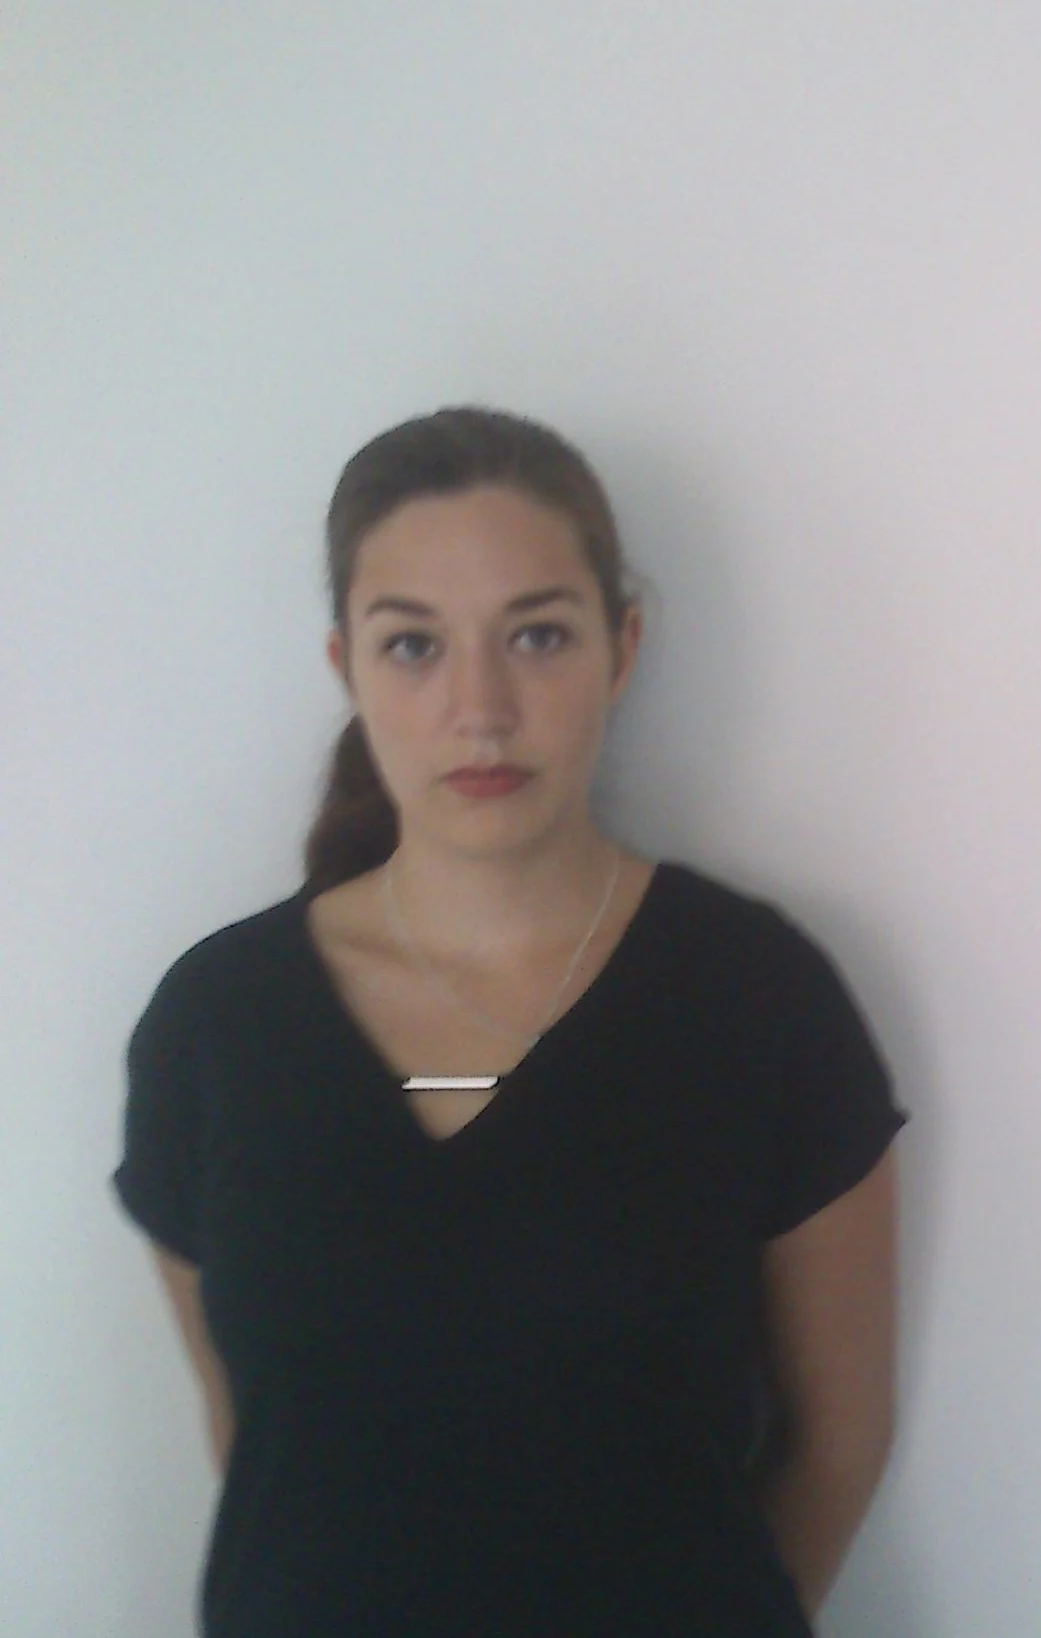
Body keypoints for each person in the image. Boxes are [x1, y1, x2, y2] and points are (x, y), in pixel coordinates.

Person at [115, 408, 904, 1637]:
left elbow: (842, 1439)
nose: (478, 707)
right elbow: (261, 1443)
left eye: (536, 635)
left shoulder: (761, 1001)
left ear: (622, 646)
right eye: (414, 645)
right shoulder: (213, 1026)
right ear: (345, 668)